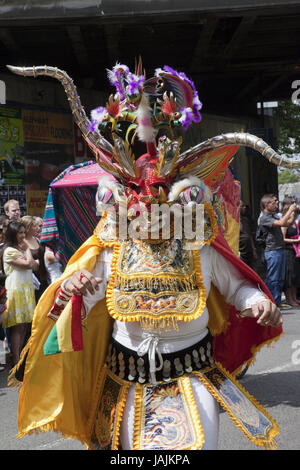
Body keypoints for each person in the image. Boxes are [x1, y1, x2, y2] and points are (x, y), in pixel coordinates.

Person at [8, 61, 287, 452]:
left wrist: (257, 301)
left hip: (190, 373)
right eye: (139, 201)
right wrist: (74, 286)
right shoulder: (112, 244)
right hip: (124, 379)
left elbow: (236, 286)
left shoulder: (198, 243)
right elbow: (88, 297)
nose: (148, 211)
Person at [1, 221, 38, 366]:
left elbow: (35, 266)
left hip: (26, 289)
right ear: (13, 234)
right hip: (16, 290)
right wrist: (28, 250)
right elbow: (30, 264)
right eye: (20, 233)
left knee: (23, 326)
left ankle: (20, 356)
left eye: (24, 232)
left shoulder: (20, 249)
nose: (23, 236)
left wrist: (28, 256)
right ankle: (16, 358)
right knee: (17, 325)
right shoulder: (9, 251)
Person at [257, 194, 297, 307]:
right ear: (266, 204)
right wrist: (289, 210)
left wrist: (294, 215)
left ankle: (277, 303)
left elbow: (288, 223)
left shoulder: (273, 215)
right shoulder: (264, 217)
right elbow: (282, 223)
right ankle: (270, 303)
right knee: (273, 279)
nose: (276, 204)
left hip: (279, 250)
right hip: (272, 251)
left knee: (280, 279)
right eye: (274, 202)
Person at [21, 215, 48, 301]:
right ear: (27, 228)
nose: (37, 228)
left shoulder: (37, 239)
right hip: (32, 278)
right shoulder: (22, 243)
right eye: (34, 225)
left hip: (43, 275)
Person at [280, 197, 300, 307]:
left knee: (295, 275)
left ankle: (294, 297)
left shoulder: (294, 223)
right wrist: (295, 240)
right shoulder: (284, 223)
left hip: (294, 251)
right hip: (287, 251)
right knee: (289, 276)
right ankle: (289, 298)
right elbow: (282, 239)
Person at [239, 201, 257, 268]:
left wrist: (254, 250)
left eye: (245, 206)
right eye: (242, 206)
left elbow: (249, 236)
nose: (244, 208)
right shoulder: (233, 221)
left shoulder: (245, 220)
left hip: (249, 252)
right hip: (240, 253)